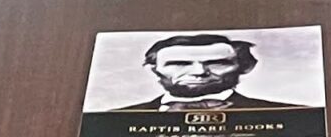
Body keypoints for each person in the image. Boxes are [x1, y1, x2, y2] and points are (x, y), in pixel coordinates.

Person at [108, 33, 297, 113]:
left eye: (217, 63)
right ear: (153, 69)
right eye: (179, 64)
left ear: (246, 66)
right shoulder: (114, 121)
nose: (199, 72)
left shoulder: (290, 115)